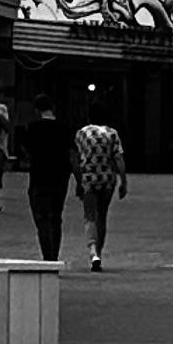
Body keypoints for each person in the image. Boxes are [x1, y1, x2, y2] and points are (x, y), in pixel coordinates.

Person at [71, 106, 127, 268]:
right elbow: (118, 159)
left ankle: (92, 251)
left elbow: (75, 159)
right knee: (102, 216)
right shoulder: (112, 133)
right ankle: (99, 254)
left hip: (88, 178)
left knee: (90, 216)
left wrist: (78, 180)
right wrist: (123, 181)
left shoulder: (81, 133)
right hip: (107, 179)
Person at [25, 95, 75, 262]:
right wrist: (80, 179)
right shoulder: (64, 128)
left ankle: (47, 255)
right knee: (56, 217)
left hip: (39, 176)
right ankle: (54, 256)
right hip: (60, 177)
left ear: (37, 110)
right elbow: (72, 154)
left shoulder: (33, 128)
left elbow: (27, 150)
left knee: (42, 218)